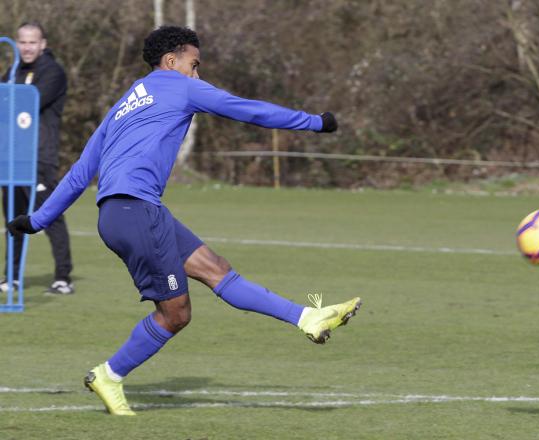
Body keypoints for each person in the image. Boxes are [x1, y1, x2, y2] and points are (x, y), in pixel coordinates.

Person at [8, 26, 361, 416]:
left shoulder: (126, 101)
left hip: (126, 212)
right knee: (176, 314)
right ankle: (109, 374)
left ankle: (308, 317)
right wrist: (315, 123)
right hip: (136, 211)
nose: (198, 74)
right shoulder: (181, 87)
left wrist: (38, 220)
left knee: (218, 271)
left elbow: (80, 172)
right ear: (171, 61)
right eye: (195, 64)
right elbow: (250, 109)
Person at [1, 21, 74, 295]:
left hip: (39, 157)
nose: (27, 47)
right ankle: (12, 276)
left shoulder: (52, 71)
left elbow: (29, 103)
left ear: (42, 44)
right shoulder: (14, 71)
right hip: (12, 158)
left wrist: (8, 101)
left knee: (50, 216)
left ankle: (62, 278)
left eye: (32, 42)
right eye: (22, 42)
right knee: (13, 218)